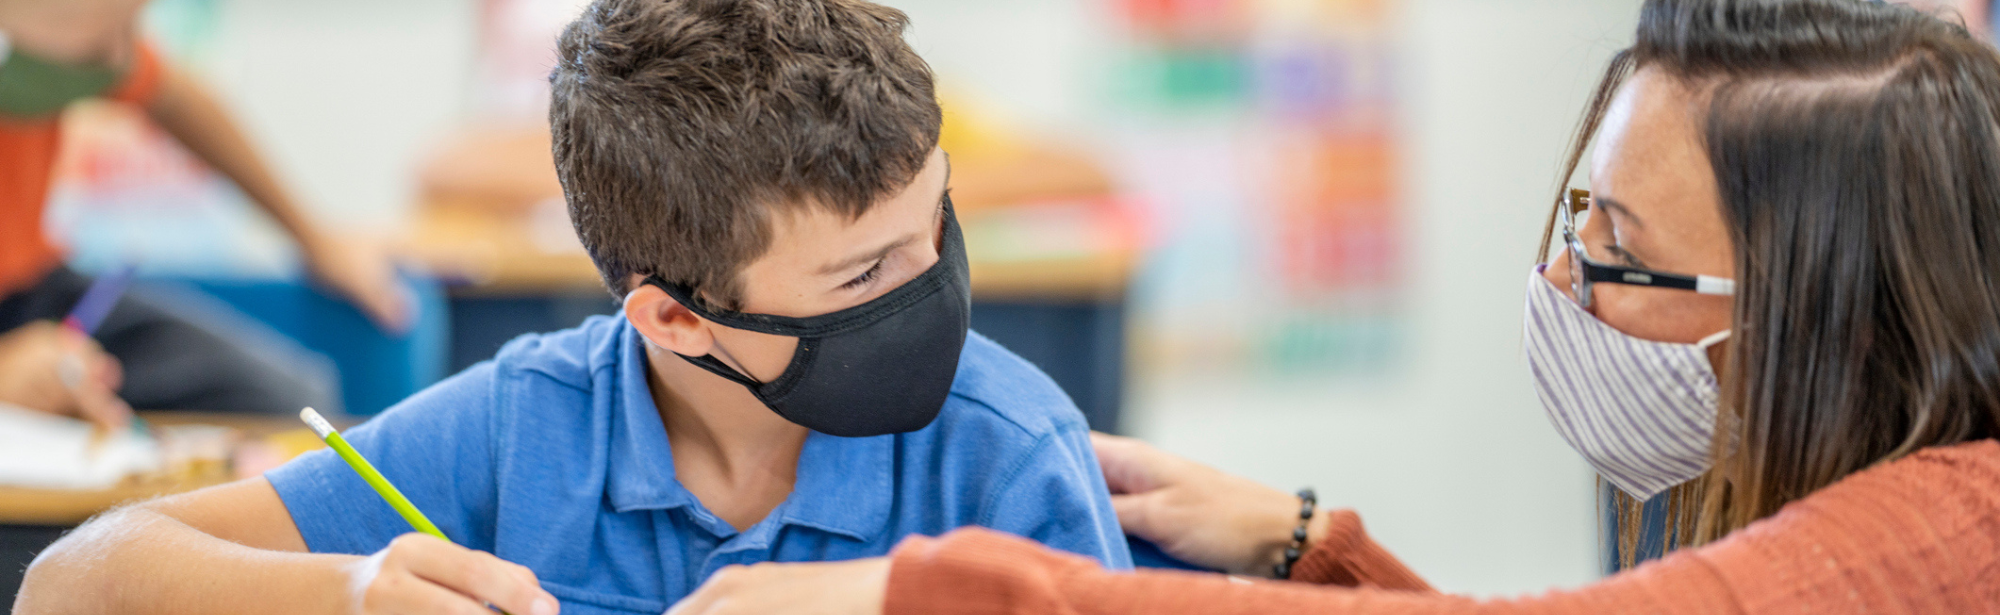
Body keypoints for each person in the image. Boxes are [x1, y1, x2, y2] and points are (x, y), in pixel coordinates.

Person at [657, 1, 2000, 613]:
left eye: (1624, 257)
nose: (1562, 286)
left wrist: (921, 586)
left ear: (1841, 322)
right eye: (1570, 220)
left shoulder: (1959, 528)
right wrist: (1313, 539)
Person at [11, 0, 1132, 612]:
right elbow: (69, 585)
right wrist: (353, 590)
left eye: (935, 225)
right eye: (862, 277)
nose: (932, 283)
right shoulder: (525, 424)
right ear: (673, 321)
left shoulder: (1006, 451)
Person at [0, 0, 409, 425]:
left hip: (34, 296)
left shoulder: (50, 43)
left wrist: (317, 240)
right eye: (102, 42)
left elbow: (172, 94)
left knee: (289, 404)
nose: (121, 56)